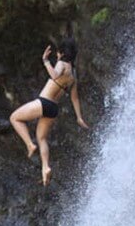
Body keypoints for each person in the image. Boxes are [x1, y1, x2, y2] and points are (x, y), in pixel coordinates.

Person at [9, 36, 89, 186]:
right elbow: (75, 98)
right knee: (42, 138)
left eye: (58, 51)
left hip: (44, 102)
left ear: (62, 51)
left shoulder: (62, 64)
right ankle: (45, 167)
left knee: (14, 118)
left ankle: (29, 144)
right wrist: (79, 118)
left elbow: (54, 75)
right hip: (53, 108)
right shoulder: (73, 75)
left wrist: (46, 61)